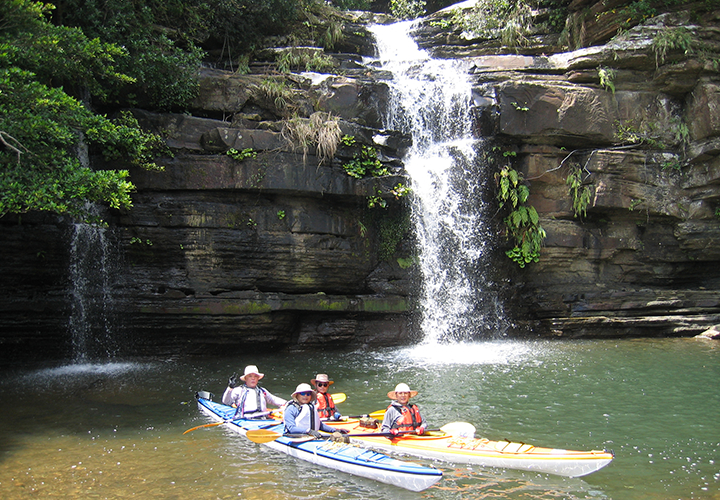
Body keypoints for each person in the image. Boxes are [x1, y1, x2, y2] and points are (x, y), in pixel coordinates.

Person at [222, 365, 286, 419]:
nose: (253, 378)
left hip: (262, 419)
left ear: (258, 378)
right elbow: (226, 401)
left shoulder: (262, 391)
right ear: (246, 378)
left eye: (255, 376)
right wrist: (230, 388)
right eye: (250, 376)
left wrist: (288, 403)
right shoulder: (239, 390)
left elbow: (273, 400)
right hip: (246, 419)